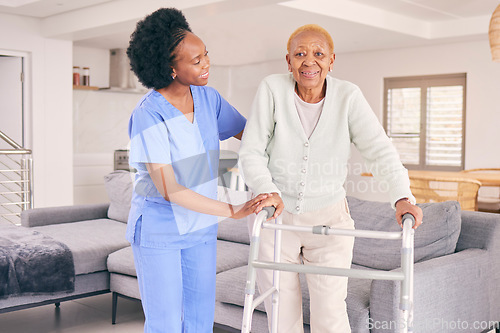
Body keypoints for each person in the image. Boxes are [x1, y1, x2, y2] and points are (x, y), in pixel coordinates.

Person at [238, 24, 423, 332]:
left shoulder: (348, 96)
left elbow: (380, 151)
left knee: (330, 311)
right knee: (279, 309)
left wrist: (402, 197)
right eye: (300, 54)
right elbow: (251, 151)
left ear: (331, 60)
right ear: (289, 62)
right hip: (275, 217)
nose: (309, 61)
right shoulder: (272, 89)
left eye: (318, 54)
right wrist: (267, 191)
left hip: (330, 218)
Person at [125, 8, 267, 333]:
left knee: (201, 320)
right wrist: (233, 209)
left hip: (201, 228)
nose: (206, 65)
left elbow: (253, 134)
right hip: (159, 230)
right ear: (171, 69)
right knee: (166, 323)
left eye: (206, 55)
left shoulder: (209, 99)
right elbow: (170, 189)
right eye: (196, 60)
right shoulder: (148, 114)